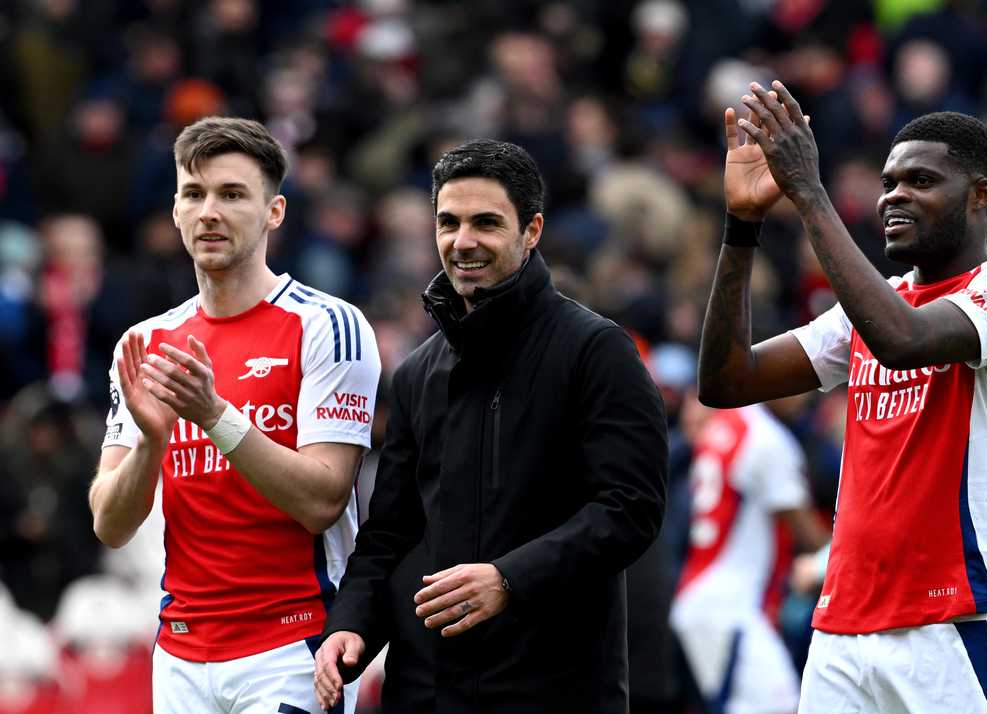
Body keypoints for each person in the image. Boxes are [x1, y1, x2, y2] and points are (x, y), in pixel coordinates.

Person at [697, 81, 987, 713]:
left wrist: (809, 193)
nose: (894, 195)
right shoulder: (870, 307)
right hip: (842, 627)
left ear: (979, 196)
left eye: (921, 181)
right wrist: (743, 225)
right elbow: (728, 380)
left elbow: (902, 339)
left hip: (957, 620)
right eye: (889, 182)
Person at [312, 138, 668, 714]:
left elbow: (631, 509)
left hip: (556, 691)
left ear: (532, 231)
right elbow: (390, 535)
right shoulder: (416, 375)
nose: (463, 241)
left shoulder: (596, 349)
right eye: (448, 223)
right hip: (426, 692)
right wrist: (350, 624)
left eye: (486, 222)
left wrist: (508, 578)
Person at [89, 117, 379, 714]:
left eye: (232, 194)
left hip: (292, 646)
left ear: (274, 212)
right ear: (175, 211)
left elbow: (323, 500)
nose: (209, 213)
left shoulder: (328, 326)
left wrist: (214, 414)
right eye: (194, 194)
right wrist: (151, 443)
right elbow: (110, 525)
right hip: (179, 651)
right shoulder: (145, 343)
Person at [671, 400, 829, 714]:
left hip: (707, 592)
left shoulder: (727, 422)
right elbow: (807, 533)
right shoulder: (766, 438)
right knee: (783, 705)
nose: (806, 393)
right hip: (730, 603)